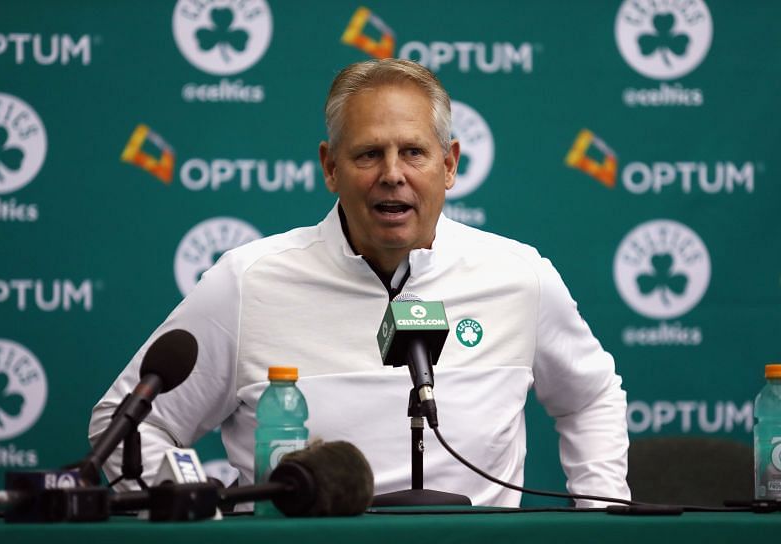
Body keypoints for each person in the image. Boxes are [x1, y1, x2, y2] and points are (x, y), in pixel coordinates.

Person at [89, 58, 630, 507]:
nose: (392, 173)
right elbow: (123, 424)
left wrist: (604, 514)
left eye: (414, 152)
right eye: (369, 153)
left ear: (449, 165)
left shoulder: (519, 276)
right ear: (330, 167)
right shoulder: (248, 282)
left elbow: (591, 397)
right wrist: (192, 511)